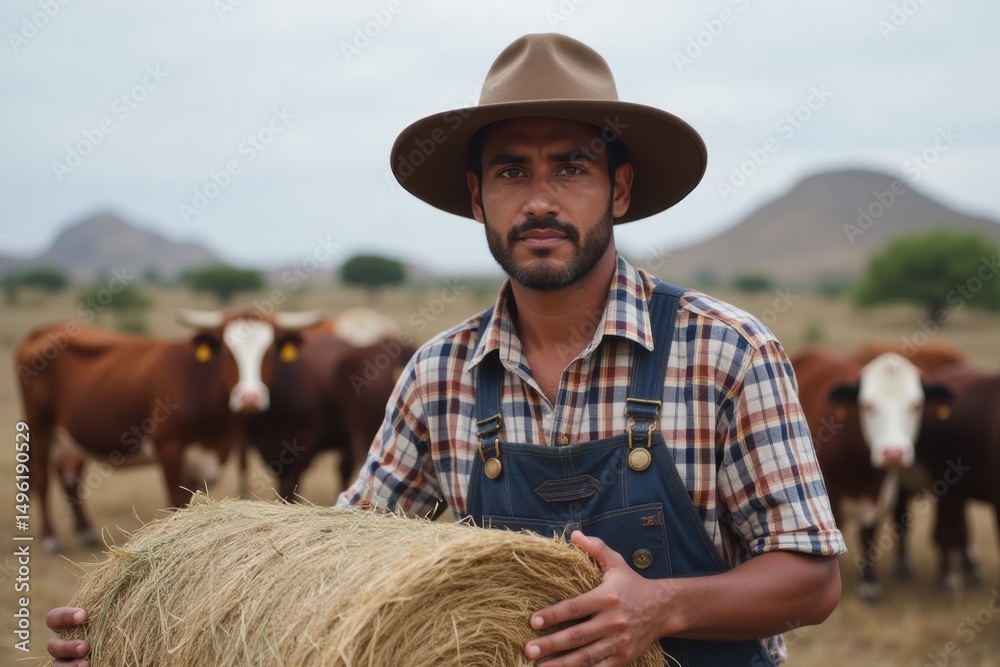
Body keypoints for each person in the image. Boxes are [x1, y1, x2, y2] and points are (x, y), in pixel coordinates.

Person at [48, 33, 845, 667]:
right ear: (477, 199)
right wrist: (144, 629)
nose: (539, 199)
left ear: (621, 190)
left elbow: (813, 577)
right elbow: (330, 568)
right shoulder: (437, 377)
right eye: (510, 172)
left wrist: (660, 607)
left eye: (571, 168)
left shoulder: (727, 350)